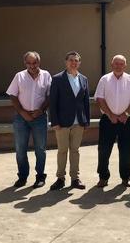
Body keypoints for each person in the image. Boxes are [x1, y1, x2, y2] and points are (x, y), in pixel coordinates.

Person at [6, 51, 51, 189]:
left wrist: (41, 110)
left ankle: (40, 177)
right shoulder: (19, 76)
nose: (32, 65)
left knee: (40, 149)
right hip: (21, 118)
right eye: (29, 63)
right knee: (20, 149)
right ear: (25, 63)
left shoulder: (46, 75)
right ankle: (22, 177)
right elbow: (13, 95)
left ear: (39, 62)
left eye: (35, 62)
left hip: (40, 117)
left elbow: (49, 96)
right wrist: (22, 112)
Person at [95, 54, 130, 187]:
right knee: (104, 150)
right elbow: (100, 99)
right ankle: (103, 177)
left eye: (121, 64)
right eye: (116, 63)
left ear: (125, 66)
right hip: (107, 120)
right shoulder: (104, 79)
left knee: (126, 150)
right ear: (111, 64)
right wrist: (110, 115)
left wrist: (126, 114)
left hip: (126, 120)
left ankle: (126, 177)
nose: (118, 66)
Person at [48, 51, 91, 191]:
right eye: (71, 60)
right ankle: (60, 178)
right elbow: (52, 102)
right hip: (62, 123)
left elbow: (86, 103)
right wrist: (54, 122)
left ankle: (75, 179)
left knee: (75, 151)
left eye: (76, 60)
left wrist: (86, 121)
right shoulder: (57, 79)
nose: (73, 63)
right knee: (62, 151)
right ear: (66, 62)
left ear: (79, 63)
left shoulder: (83, 79)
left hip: (79, 122)